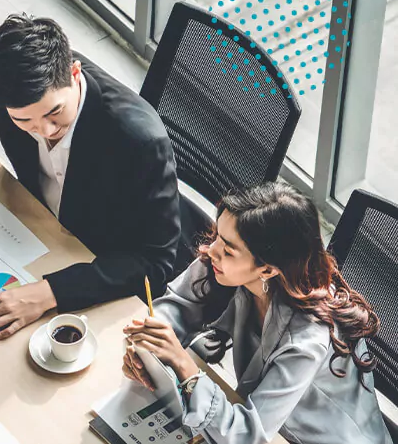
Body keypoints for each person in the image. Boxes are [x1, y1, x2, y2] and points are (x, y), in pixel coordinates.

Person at [0, 14, 180, 340]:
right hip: (35, 231)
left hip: (92, 261)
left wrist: (49, 294)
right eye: (24, 121)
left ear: (74, 72)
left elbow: (155, 262)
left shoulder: (140, 140)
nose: (46, 130)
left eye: (55, 112)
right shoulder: (12, 86)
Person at [122, 182, 390, 444]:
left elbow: (249, 435)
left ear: (267, 270)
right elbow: (178, 306)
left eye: (227, 250)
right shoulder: (226, 267)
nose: (211, 251)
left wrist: (184, 365)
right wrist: (151, 345)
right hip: (268, 423)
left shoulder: (307, 339)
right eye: (218, 236)